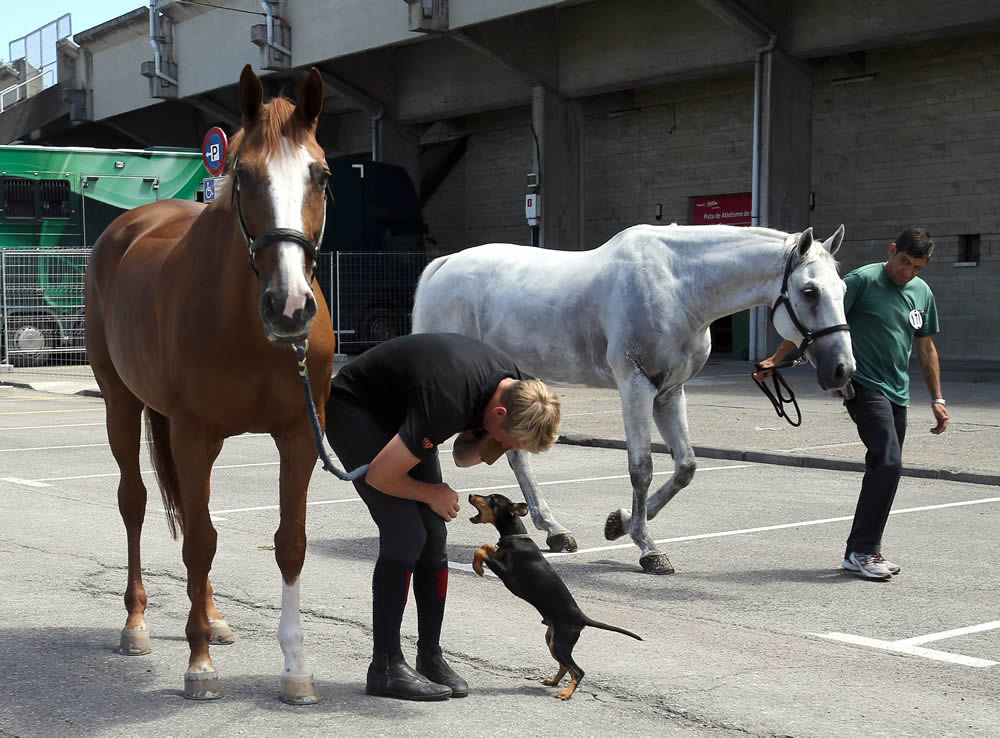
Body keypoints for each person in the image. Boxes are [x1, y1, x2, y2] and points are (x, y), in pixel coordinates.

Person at [325, 332, 562, 700]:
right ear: (500, 414)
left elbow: (463, 456)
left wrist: (495, 442)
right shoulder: (449, 398)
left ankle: (429, 656)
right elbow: (381, 475)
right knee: (406, 533)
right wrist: (431, 492)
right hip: (356, 408)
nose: (511, 449)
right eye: (514, 441)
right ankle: (385, 666)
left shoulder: (517, 388)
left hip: (405, 415)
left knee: (434, 534)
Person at [755, 227, 949, 580]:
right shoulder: (863, 280)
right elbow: (819, 321)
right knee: (887, 461)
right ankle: (862, 551)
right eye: (904, 261)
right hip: (863, 384)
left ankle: (864, 550)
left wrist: (937, 398)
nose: (908, 272)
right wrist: (777, 358)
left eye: (917, 267)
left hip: (897, 390)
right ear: (892, 250)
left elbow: (926, 347)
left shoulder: (921, 292)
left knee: (887, 467)